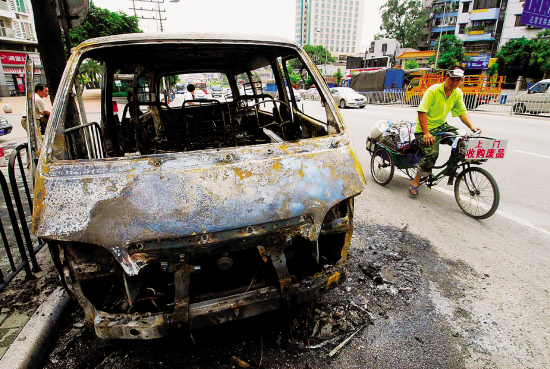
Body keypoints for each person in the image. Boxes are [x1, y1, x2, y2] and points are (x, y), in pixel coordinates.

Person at [409, 66, 481, 196]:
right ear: (446, 77)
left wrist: (472, 126)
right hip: (425, 129)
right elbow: (422, 111)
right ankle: (416, 180)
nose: (454, 82)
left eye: (458, 80)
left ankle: (450, 169)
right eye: (452, 79)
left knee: (461, 142)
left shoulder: (457, 92)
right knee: (432, 154)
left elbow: (462, 112)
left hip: (442, 126)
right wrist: (426, 133)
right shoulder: (433, 90)